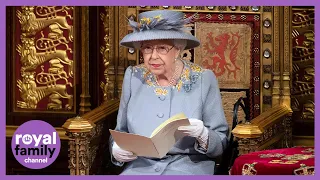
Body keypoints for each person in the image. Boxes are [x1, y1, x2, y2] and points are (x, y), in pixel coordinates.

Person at [109, 10, 229, 175]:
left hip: (189, 168)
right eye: (147, 49)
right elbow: (120, 130)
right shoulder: (133, 77)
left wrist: (203, 135)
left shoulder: (203, 79)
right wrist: (115, 148)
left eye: (162, 48)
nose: (153, 56)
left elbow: (221, 142)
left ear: (178, 49)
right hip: (140, 168)